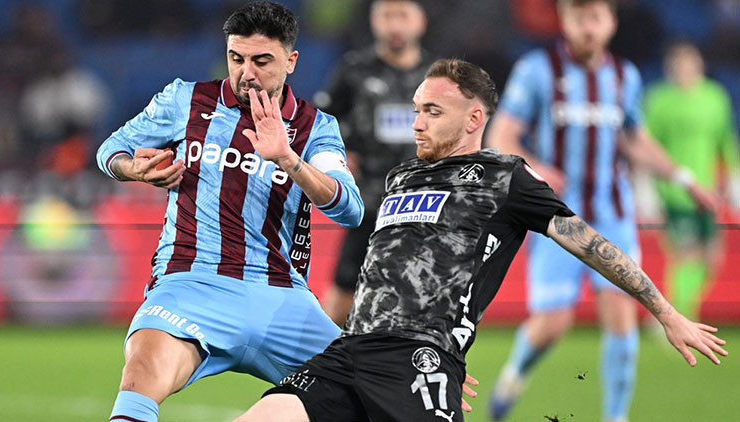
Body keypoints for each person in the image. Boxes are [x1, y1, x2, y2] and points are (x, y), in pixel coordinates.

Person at [233, 58, 726, 422]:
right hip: (350, 353)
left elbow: (591, 244)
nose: (417, 122)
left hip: (414, 361)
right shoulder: (401, 177)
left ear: (473, 119)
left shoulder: (506, 178)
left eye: (432, 111)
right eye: (416, 109)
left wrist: (665, 312)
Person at [95, 3, 364, 421]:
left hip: (281, 297)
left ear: (291, 61)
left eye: (261, 61)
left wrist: (288, 159)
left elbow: (350, 208)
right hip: (190, 285)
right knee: (141, 374)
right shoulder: (186, 100)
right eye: (236, 58)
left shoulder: (315, 127)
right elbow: (110, 149)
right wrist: (133, 169)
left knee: (376, 387)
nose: (246, 73)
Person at [483, 1, 719, 421]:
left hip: (613, 215)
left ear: (610, 22)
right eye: (578, 18)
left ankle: (615, 417)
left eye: (595, 17)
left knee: (622, 318)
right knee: (551, 325)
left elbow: (634, 138)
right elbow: (502, 135)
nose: (587, 27)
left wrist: (683, 178)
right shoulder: (538, 70)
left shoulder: (624, 76)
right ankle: (512, 379)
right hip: (556, 218)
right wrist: (535, 168)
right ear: (565, 21)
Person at [314, 0, 431, 326]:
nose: (394, 25)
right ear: (373, 20)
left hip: (424, 205)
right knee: (341, 300)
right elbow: (320, 124)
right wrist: (339, 153)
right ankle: (324, 357)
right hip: (368, 205)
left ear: (420, 21)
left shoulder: (437, 76)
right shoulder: (354, 70)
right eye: (386, 16)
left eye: (403, 15)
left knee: (421, 302)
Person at [643, 41, 740, 321]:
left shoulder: (715, 97)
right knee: (686, 254)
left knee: (712, 258)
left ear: (700, 66)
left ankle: (669, 311)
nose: (684, 70)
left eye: (689, 64)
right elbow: (647, 144)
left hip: (707, 191)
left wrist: (733, 178)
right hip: (673, 191)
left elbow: (725, 140)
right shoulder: (659, 100)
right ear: (669, 69)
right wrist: (647, 188)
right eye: (679, 65)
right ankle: (677, 317)